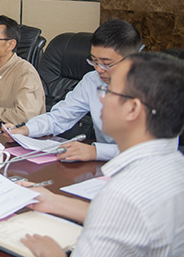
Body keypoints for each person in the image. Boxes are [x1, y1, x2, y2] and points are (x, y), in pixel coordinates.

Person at [21, 53, 184, 257]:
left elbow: (126, 208)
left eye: (109, 90)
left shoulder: (122, 194)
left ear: (133, 109)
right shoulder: (175, 166)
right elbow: (130, 221)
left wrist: (53, 254)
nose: (100, 98)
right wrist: (55, 202)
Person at [5, 19, 143, 162]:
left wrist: (96, 151)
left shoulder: (151, 87)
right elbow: (60, 117)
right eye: (94, 61)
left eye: (106, 63)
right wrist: (26, 130)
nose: (98, 69)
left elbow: (148, 148)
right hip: (103, 165)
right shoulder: (92, 80)